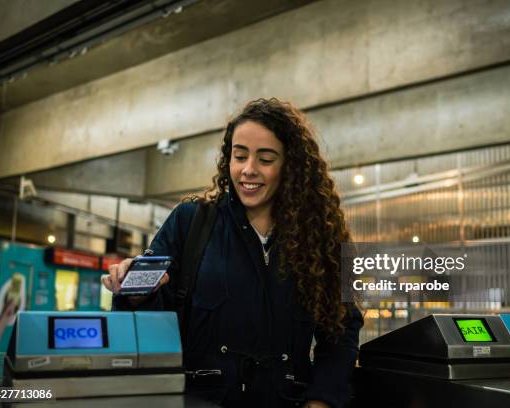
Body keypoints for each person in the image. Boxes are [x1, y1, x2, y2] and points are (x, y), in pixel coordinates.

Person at [102, 98, 363, 408]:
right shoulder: (191, 221)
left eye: (265, 159)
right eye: (240, 156)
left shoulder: (322, 237)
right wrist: (137, 293)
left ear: (290, 165)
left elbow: (342, 330)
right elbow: (147, 328)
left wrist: (321, 400)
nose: (248, 170)